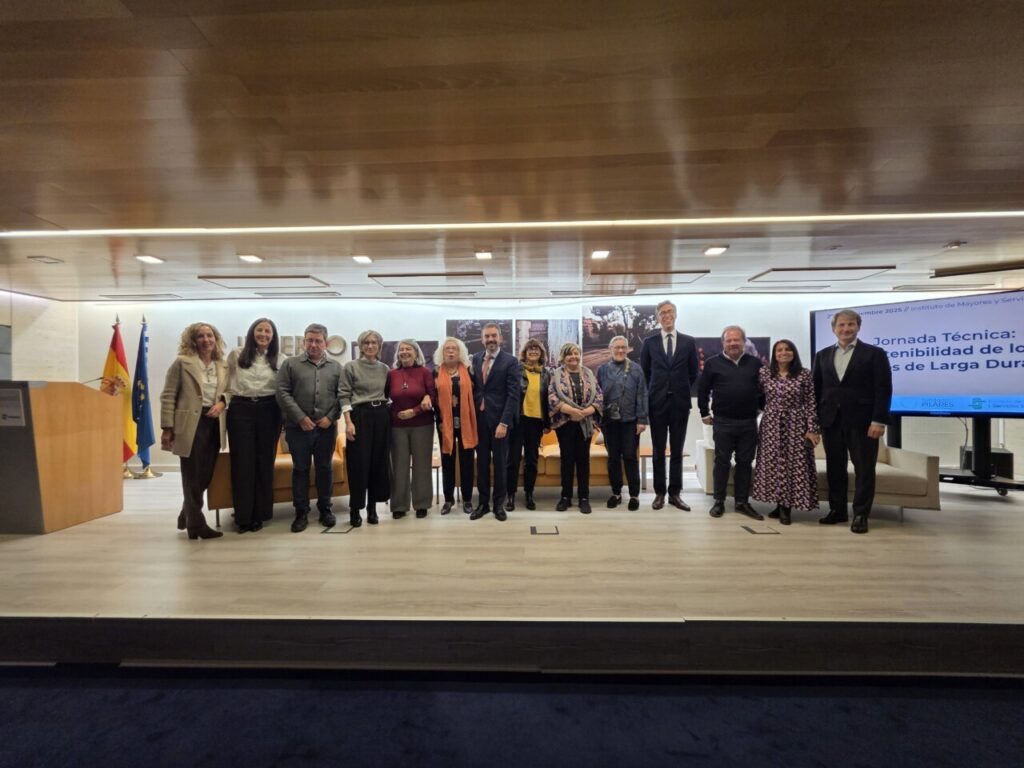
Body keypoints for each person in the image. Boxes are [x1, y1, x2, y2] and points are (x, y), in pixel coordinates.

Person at [813, 309, 893, 534]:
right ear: (834, 329)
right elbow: (816, 390)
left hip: (864, 422)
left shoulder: (874, 354)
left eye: (850, 324)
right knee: (835, 468)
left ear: (858, 327)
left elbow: (883, 389)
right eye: (841, 325)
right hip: (831, 421)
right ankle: (837, 511)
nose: (846, 329)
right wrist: (815, 422)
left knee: (864, 469)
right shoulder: (822, 355)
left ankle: (861, 514)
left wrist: (879, 420)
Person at [160, 322, 229, 540]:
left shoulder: (222, 365)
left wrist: (222, 403)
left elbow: (229, 390)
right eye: (201, 336)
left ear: (215, 339)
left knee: (206, 474)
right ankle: (196, 525)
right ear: (193, 340)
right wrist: (167, 428)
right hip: (190, 424)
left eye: (210, 335)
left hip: (214, 423)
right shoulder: (182, 362)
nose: (206, 340)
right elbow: (168, 395)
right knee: (192, 474)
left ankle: (186, 514)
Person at [276, 323, 342, 533]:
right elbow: (282, 392)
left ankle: (325, 509)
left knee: (324, 468)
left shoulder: (336, 368)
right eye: (310, 340)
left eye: (318, 341)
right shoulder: (290, 364)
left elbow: (342, 396)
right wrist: (300, 417)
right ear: (304, 342)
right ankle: (301, 512)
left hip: (326, 429)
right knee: (300, 469)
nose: (313, 344)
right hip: (298, 429)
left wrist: (330, 417)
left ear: (326, 343)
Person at [697, 325, 765, 520]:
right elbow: (702, 390)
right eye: (729, 340)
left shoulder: (755, 363)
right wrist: (704, 413)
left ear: (744, 342)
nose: (733, 343)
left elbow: (763, 391)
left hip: (748, 422)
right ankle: (719, 501)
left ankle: (742, 502)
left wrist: (763, 410)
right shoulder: (712, 363)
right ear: (723, 343)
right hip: (723, 422)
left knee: (745, 463)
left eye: (737, 340)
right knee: (722, 462)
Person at [751, 340, 820, 525]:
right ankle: (779, 503)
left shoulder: (804, 374)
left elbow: (811, 403)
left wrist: (812, 429)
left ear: (794, 352)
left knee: (793, 465)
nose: (783, 352)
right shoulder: (765, 373)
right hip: (771, 424)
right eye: (779, 350)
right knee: (773, 464)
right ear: (774, 354)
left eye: (788, 349)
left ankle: (786, 508)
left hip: (796, 424)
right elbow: (756, 396)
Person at [640, 299, 699, 511]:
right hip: (657, 404)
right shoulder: (649, 343)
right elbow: (645, 373)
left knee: (676, 450)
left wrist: (679, 388)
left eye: (670, 312)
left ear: (675, 314)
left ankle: (675, 493)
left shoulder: (688, 342)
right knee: (658, 451)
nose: (667, 316)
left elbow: (693, 373)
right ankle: (659, 493)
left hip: (680, 404)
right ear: (658, 317)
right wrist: (658, 390)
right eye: (662, 313)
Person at [224, 317, 282, 533]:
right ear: (252, 332)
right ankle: (243, 516)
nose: (263, 334)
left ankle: (260, 514)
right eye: (260, 330)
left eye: (268, 331)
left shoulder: (281, 359)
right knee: (242, 463)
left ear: (273, 336)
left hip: (270, 410)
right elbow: (225, 383)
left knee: (264, 462)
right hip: (241, 409)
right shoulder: (236, 354)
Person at [340, 329, 391, 527]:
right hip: (360, 416)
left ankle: (372, 508)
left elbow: (389, 394)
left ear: (379, 346)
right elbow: (344, 395)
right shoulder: (350, 367)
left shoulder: (385, 369)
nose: (370, 346)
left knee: (378, 463)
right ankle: (355, 509)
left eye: (374, 342)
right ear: (360, 346)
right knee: (358, 464)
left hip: (382, 415)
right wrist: (348, 422)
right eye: (366, 343)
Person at [469, 322, 521, 521]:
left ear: (500, 338)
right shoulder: (475, 359)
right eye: (487, 336)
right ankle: (483, 504)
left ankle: (499, 504)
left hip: (500, 422)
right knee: (481, 464)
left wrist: (504, 423)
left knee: (500, 464)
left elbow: (513, 395)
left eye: (494, 336)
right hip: (480, 420)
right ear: (482, 339)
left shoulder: (511, 361)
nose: (491, 339)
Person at [548, 342, 603, 514]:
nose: (573, 357)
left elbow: (599, 395)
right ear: (563, 357)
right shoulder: (556, 375)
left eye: (576, 353)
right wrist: (572, 411)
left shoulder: (589, 374)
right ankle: (565, 497)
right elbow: (552, 396)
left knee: (583, 461)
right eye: (569, 354)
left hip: (585, 423)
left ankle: (584, 498)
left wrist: (586, 412)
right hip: (565, 423)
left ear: (580, 355)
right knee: (567, 460)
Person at [596, 335, 648, 511]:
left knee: (630, 457)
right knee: (613, 458)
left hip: (630, 421)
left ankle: (634, 495)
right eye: (616, 347)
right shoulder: (602, 370)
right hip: (609, 422)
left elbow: (642, 394)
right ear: (610, 349)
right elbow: (598, 395)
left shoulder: (636, 369)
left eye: (623, 347)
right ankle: (616, 493)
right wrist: (598, 418)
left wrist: (642, 420)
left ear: (627, 349)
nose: (620, 350)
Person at [387, 339, 436, 519]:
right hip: (397, 426)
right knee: (398, 466)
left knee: (422, 465)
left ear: (416, 353)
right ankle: (399, 505)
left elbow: (432, 396)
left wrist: (414, 411)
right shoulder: (391, 374)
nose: (404, 352)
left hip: (422, 424)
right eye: (401, 349)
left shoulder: (425, 372)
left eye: (408, 349)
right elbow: (385, 398)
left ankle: (422, 504)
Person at [506, 338, 550, 512]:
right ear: (524, 353)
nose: (533, 351)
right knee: (513, 459)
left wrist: (547, 423)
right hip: (518, 420)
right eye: (530, 349)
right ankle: (510, 495)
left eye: (536, 349)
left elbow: (548, 400)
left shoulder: (546, 374)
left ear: (541, 353)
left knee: (532, 460)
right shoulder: (516, 371)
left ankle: (529, 494)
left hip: (536, 422)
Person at [433, 337, 477, 515]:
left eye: (454, 348)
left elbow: (476, 393)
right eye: (447, 349)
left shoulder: (469, 370)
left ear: (460, 352)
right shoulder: (435, 372)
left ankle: (467, 499)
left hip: (466, 421)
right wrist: (439, 418)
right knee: (447, 461)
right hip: (444, 423)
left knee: (467, 462)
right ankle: (448, 499)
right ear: (442, 353)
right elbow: (433, 397)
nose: (451, 351)